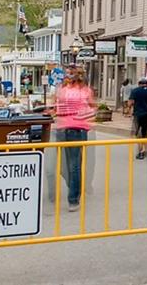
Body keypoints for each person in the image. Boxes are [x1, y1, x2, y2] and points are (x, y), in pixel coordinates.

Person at [52, 67, 96, 210]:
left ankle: (72, 191)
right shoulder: (84, 91)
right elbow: (92, 108)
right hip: (75, 129)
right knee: (74, 165)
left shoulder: (62, 91)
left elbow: (54, 108)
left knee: (67, 164)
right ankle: (73, 197)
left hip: (65, 128)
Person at [128, 77, 147, 159]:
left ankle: (140, 150)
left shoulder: (135, 91)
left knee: (138, 133)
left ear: (139, 83)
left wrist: (131, 107)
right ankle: (145, 150)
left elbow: (130, 103)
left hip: (137, 114)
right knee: (146, 132)